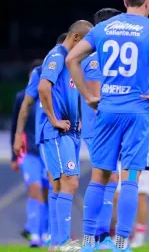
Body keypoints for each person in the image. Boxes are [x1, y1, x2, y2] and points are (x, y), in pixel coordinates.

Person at [65, 0, 149, 251]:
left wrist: (88, 96)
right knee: (130, 177)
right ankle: (120, 243)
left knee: (99, 176)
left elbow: (72, 59)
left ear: (125, 2)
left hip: (107, 109)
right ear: (148, 3)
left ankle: (89, 243)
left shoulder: (104, 28)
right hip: (139, 110)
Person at [38, 21, 93, 251]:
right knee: (69, 182)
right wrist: (54, 120)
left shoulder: (72, 61)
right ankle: (61, 242)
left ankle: (56, 242)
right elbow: (43, 87)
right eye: (89, 45)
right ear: (77, 38)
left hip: (70, 132)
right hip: (58, 132)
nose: (90, 50)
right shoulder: (57, 55)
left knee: (62, 185)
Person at [79, 7, 123, 250]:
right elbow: (96, 98)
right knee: (107, 178)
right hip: (100, 127)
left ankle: (99, 236)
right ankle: (97, 236)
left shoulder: (104, 55)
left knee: (109, 179)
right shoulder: (96, 58)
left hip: (105, 127)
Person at [11, 60, 50, 248]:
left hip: (48, 153)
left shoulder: (49, 96)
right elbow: (14, 127)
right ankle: (35, 234)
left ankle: (47, 233)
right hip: (30, 154)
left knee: (48, 192)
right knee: (34, 191)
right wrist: (14, 156)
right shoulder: (22, 98)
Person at [113, 161, 149, 249]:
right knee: (118, 196)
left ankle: (139, 236)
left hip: (142, 158)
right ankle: (121, 234)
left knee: (140, 197)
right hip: (123, 157)